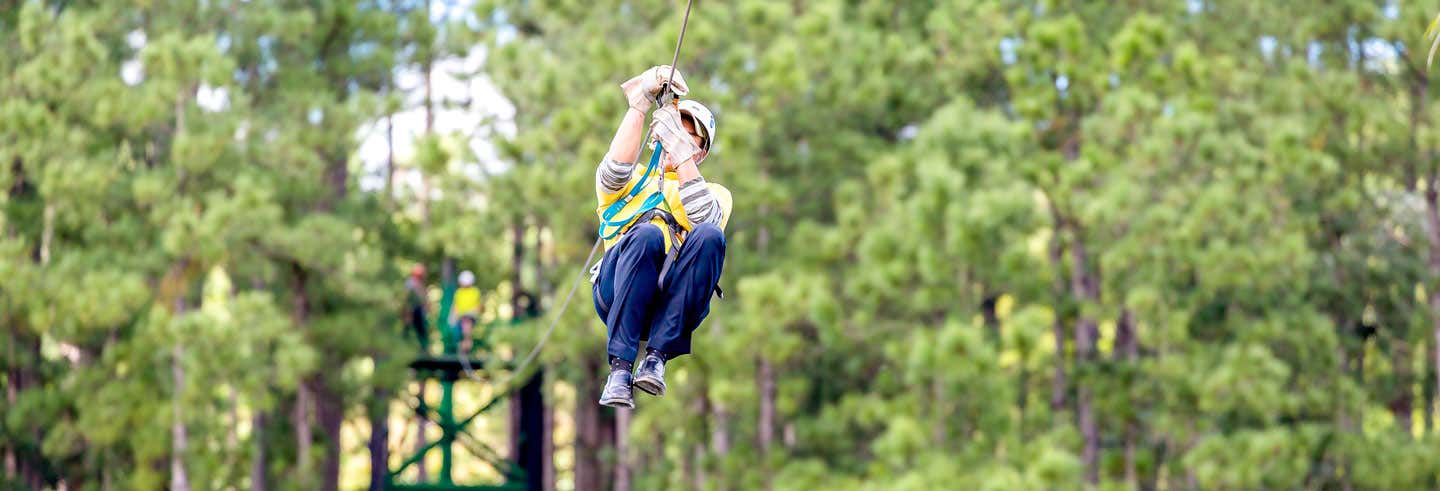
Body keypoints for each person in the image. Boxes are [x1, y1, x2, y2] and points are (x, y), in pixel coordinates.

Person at [591, 65, 731, 408]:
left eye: (688, 138)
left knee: (710, 236)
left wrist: (680, 154)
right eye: (673, 132)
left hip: (672, 303)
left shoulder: (714, 193)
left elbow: (705, 219)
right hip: (619, 289)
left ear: (700, 152)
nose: (676, 140)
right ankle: (620, 370)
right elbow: (612, 173)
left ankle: (656, 358)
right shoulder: (634, 182)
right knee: (647, 237)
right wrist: (640, 104)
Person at [452, 270, 482, 354]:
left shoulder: (475, 291)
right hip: (460, 316)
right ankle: (463, 346)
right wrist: (454, 316)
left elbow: (477, 306)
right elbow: (456, 306)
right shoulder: (459, 292)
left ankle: (466, 345)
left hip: (470, 315)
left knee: (467, 327)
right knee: (461, 331)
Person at [404, 264, 430, 352]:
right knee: (408, 328)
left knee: (421, 329)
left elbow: (424, 297)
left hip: (418, 310)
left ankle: (423, 348)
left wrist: (426, 306)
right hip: (412, 309)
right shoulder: (411, 283)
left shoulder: (420, 283)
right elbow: (408, 297)